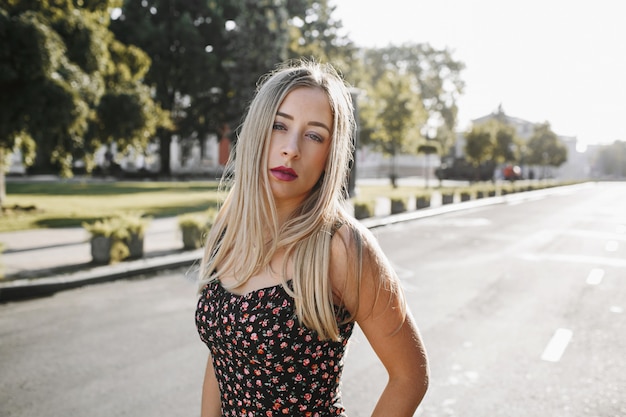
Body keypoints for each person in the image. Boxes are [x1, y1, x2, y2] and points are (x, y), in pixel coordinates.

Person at [195, 59, 429, 417]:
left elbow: (409, 376)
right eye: (279, 126)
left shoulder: (341, 246)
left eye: (314, 134)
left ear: (329, 155)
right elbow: (223, 352)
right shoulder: (231, 225)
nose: (291, 148)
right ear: (258, 130)